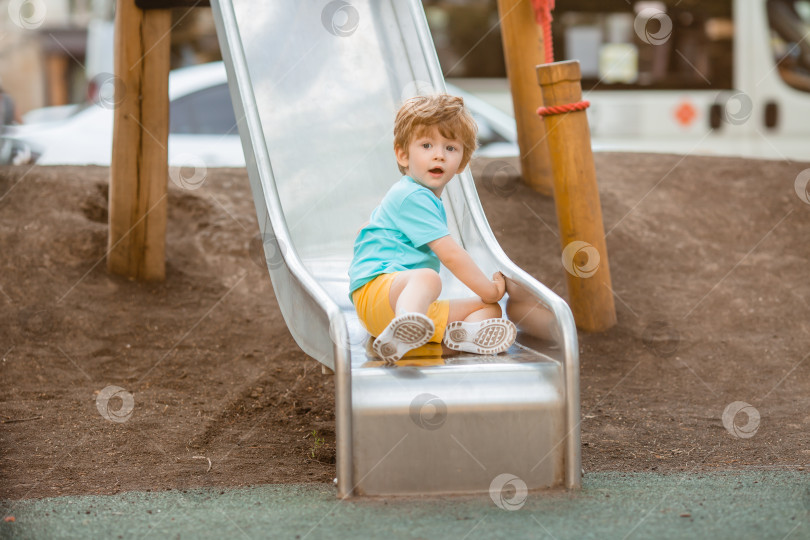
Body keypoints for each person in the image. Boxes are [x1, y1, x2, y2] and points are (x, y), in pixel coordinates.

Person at [348, 93, 517, 364]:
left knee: (490, 310)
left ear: (462, 162)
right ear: (403, 155)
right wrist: (489, 289)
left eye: (450, 148)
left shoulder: (420, 197)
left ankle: (461, 335)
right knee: (429, 278)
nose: (439, 155)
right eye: (426, 145)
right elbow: (450, 255)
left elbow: (366, 230)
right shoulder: (412, 195)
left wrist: (489, 300)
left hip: (398, 304)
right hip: (380, 293)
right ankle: (406, 324)